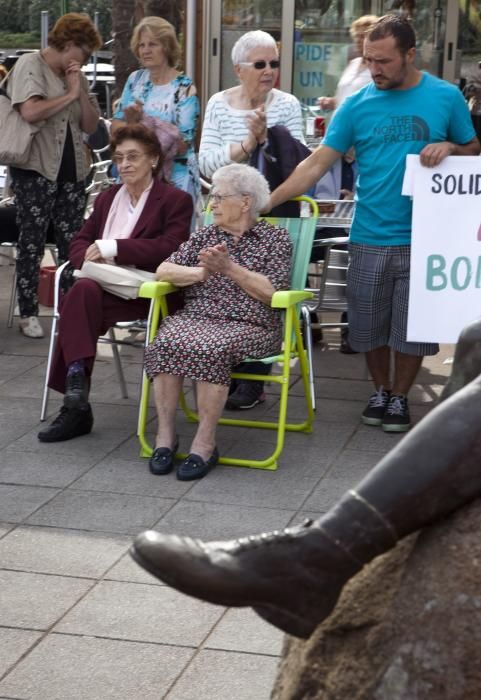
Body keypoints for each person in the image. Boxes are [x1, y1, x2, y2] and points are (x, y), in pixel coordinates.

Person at [130, 317, 481, 639]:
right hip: (205, 315)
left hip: (245, 322)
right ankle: (441, 493)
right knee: (474, 339)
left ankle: (320, 557)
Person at [271, 14, 479, 432]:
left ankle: (400, 397)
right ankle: (380, 389)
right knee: (367, 328)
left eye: (383, 61)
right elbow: (316, 163)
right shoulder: (358, 104)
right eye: (369, 60)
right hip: (369, 234)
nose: (375, 69)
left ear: (410, 54)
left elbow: (474, 148)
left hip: (427, 238)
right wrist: (268, 201)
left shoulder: (444, 97)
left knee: (411, 330)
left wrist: (451, 147)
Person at [38, 124, 192, 443]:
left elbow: (172, 246)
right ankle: (76, 385)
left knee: (77, 300)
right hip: (105, 290)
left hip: (153, 293)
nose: (124, 164)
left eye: (133, 157)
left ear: (153, 159)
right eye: (119, 158)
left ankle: (75, 400)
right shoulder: (109, 198)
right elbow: (79, 242)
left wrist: (115, 248)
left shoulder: (175, 199)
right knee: (82, 290)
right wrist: (88, 257)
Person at [143, 164, 292, 481]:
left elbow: (273, 293)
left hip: (251, 324)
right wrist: (200, 273)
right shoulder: (205, 236)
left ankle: (204, 444)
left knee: (212, 347)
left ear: (246, 202)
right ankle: (165, 438)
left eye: (219, 197)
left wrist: (229, 268)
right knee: (166, 341)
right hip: (197, 317)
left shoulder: (274, 239)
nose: (212, 204)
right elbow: (163, 270)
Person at [199, 29, 304, 410]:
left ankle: (254, 377)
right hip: (226, 216)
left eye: (274, 63)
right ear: (238, 69)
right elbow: (205, 163)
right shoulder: (218, 103)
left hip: (274, 215)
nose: (268, 71)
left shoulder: (288, 104)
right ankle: (222, 365)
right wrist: (246, 145)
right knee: (220, 288)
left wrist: (267, 141)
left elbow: (297, 165)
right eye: (259, 64)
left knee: (261, 288)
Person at [6, 13, 102, 339]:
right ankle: (29, 311)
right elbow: (30, 111)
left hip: (73, 170)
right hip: (34, 168)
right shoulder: (30, 65)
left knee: (72, 243)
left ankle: (70, 310)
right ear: (69, 43)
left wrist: (80, 92)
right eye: (84, 53)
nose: (85, 61)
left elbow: (89, 125)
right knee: (31, 241)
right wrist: (69, 95)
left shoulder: (77, 76)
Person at [111, 16, 200, 208]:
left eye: (152, 44)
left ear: (166, 47)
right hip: (136, 177)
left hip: (176, 178)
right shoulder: (135, 80)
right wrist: (133, 125)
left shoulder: (184, 86)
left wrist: (138, 125)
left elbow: (183, 143)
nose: (145, 50)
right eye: (141, 45)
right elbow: (116, 128)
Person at [317, 15, 379, 113]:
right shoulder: (353, 64)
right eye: (356, 36)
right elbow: (346, 97)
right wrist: (331, 102)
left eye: (363, 36)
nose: (358, 40)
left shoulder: (380, 68)